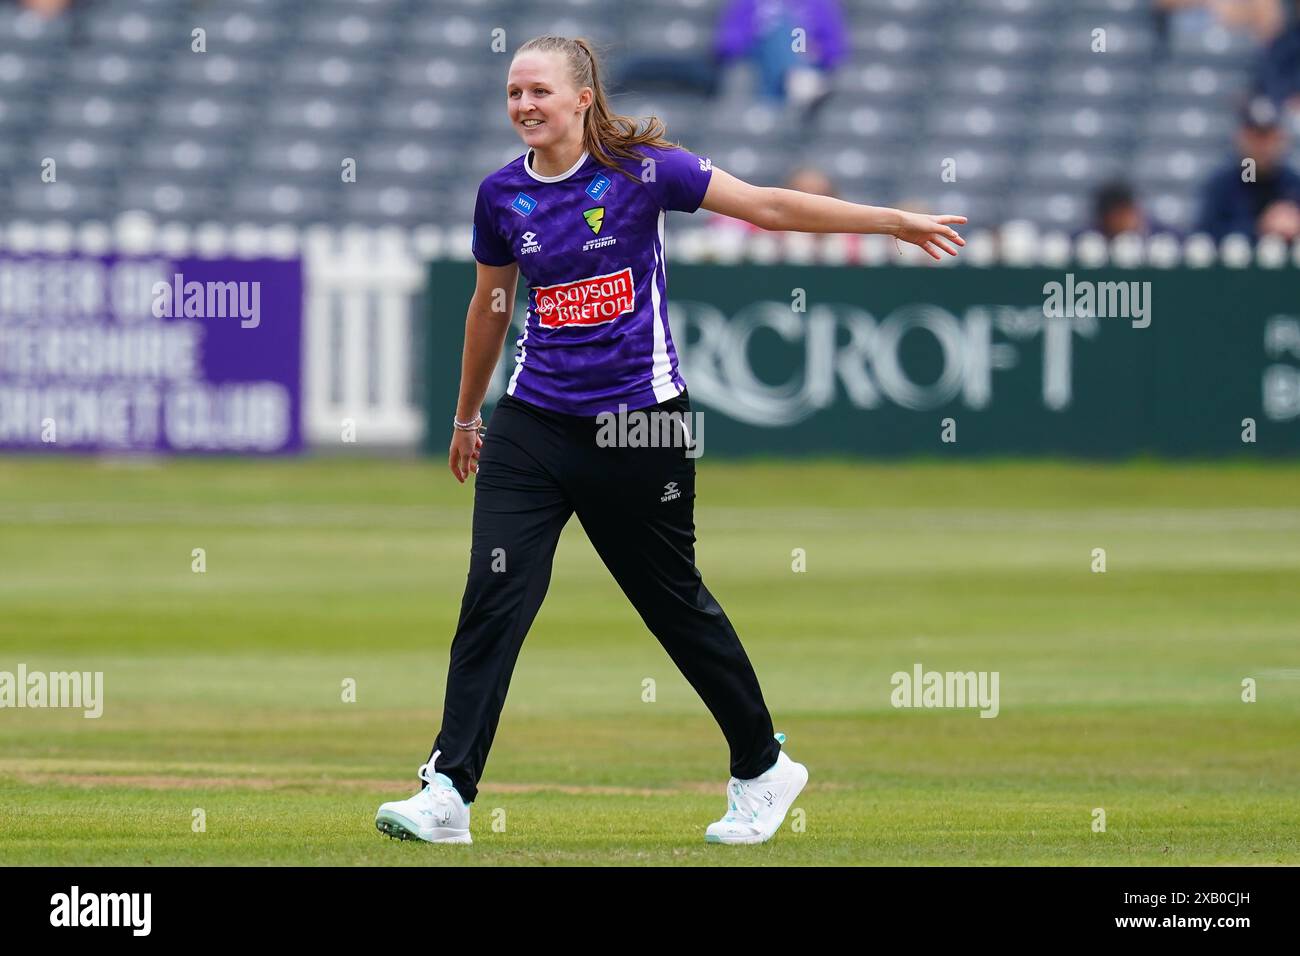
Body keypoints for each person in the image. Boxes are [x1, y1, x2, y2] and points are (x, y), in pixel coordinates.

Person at [374, 34, 964, 846]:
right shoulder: (500, 195)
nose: (523, 106)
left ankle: (763, 768)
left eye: (539, 91)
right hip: (533, 422)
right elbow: (490, 310)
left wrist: (890, 221)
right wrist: (468, 415)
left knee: (671, 604)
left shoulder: (647, 170)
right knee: (494, 593)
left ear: (583, 97)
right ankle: (448, 791)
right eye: (514, 93)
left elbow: (768, 206)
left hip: (639, 425)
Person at [1196, 95, 1300, 241]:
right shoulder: (1224, 185)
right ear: (1241, 138)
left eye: (1268, 136)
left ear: (1281, 138)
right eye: (1255, 136)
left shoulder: (1293, 183)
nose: (1262, 146)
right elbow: (1204, 235)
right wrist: (1261, 227)